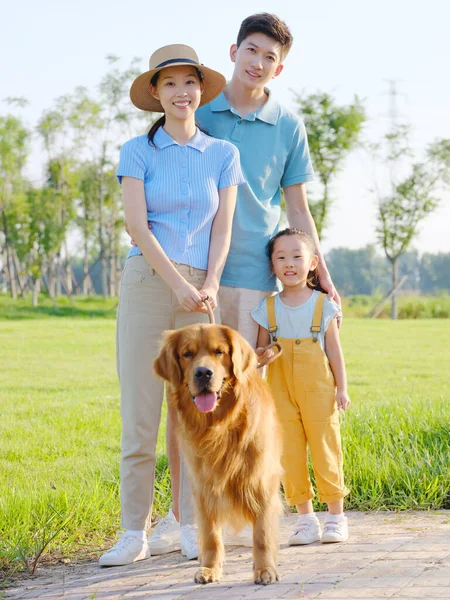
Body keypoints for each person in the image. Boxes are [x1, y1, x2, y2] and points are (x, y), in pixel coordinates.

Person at [149, 13, 342, 555]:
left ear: (280, 67)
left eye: (269, 58)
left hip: (257, 280)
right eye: (251, 51)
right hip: (197, 276)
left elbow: (297, 205)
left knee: (253, 399)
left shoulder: (288, 126)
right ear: (233, 51)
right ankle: (183, 518)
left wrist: (320, 270)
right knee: (189, 396)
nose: (258, 63)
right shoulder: (198, 110)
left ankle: (255, 511)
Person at [99, 44, 244, 567]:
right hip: (146, 282)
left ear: (201, 91)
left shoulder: (224, 155)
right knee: (140, 412)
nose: (182, 92)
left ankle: (190, 525)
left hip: (201, 289)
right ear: (156, 94)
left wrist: (208, 283)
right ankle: (131, 532)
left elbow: (223, 228)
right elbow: (137, 224)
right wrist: (176, 284)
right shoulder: (137, 151)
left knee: (197, 418)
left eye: (190, 83)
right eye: (170, 84)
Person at [252, 227, 350, 544]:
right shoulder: (267, 308)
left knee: (325, 448)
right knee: (290, 453)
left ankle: (336, 517)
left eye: (297, 256)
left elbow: (334, 350)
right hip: (280, 391)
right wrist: (261, 356)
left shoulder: (323, 305)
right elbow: (260, 354)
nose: (289, 263)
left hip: (319, 389)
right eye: (281, 257)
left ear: (312, 263)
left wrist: (342, 388)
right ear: (272, 266)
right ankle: (305, 520)